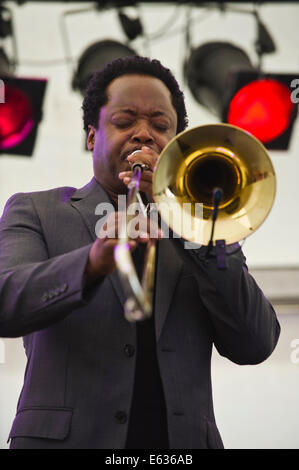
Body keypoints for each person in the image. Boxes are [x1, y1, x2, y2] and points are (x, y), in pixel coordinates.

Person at [0, 56, 280, 449]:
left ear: (177, 143)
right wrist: (91, 263)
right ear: (92, 135)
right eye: (124, 121)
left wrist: (194, 231)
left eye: (160, 125)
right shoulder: (37, 210)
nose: (144, 135)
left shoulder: (204, 227)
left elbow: (256, 343)